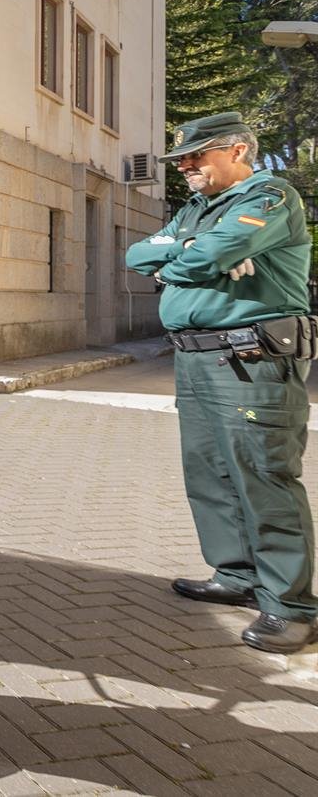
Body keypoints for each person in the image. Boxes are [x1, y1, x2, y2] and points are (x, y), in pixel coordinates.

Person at [125, 112, 315, 654]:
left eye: (195, 155)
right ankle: (236, 576)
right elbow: (136, 254)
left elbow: (213, 253)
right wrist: (188, 255)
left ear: (236, 151)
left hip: (249, 361)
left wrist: (186, 256)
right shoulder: (196, 209)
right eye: (180, 158)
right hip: (195, 361)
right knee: (209, 472)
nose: (184, 166)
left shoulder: (269, 196)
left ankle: (290, 606)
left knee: (264, 476)